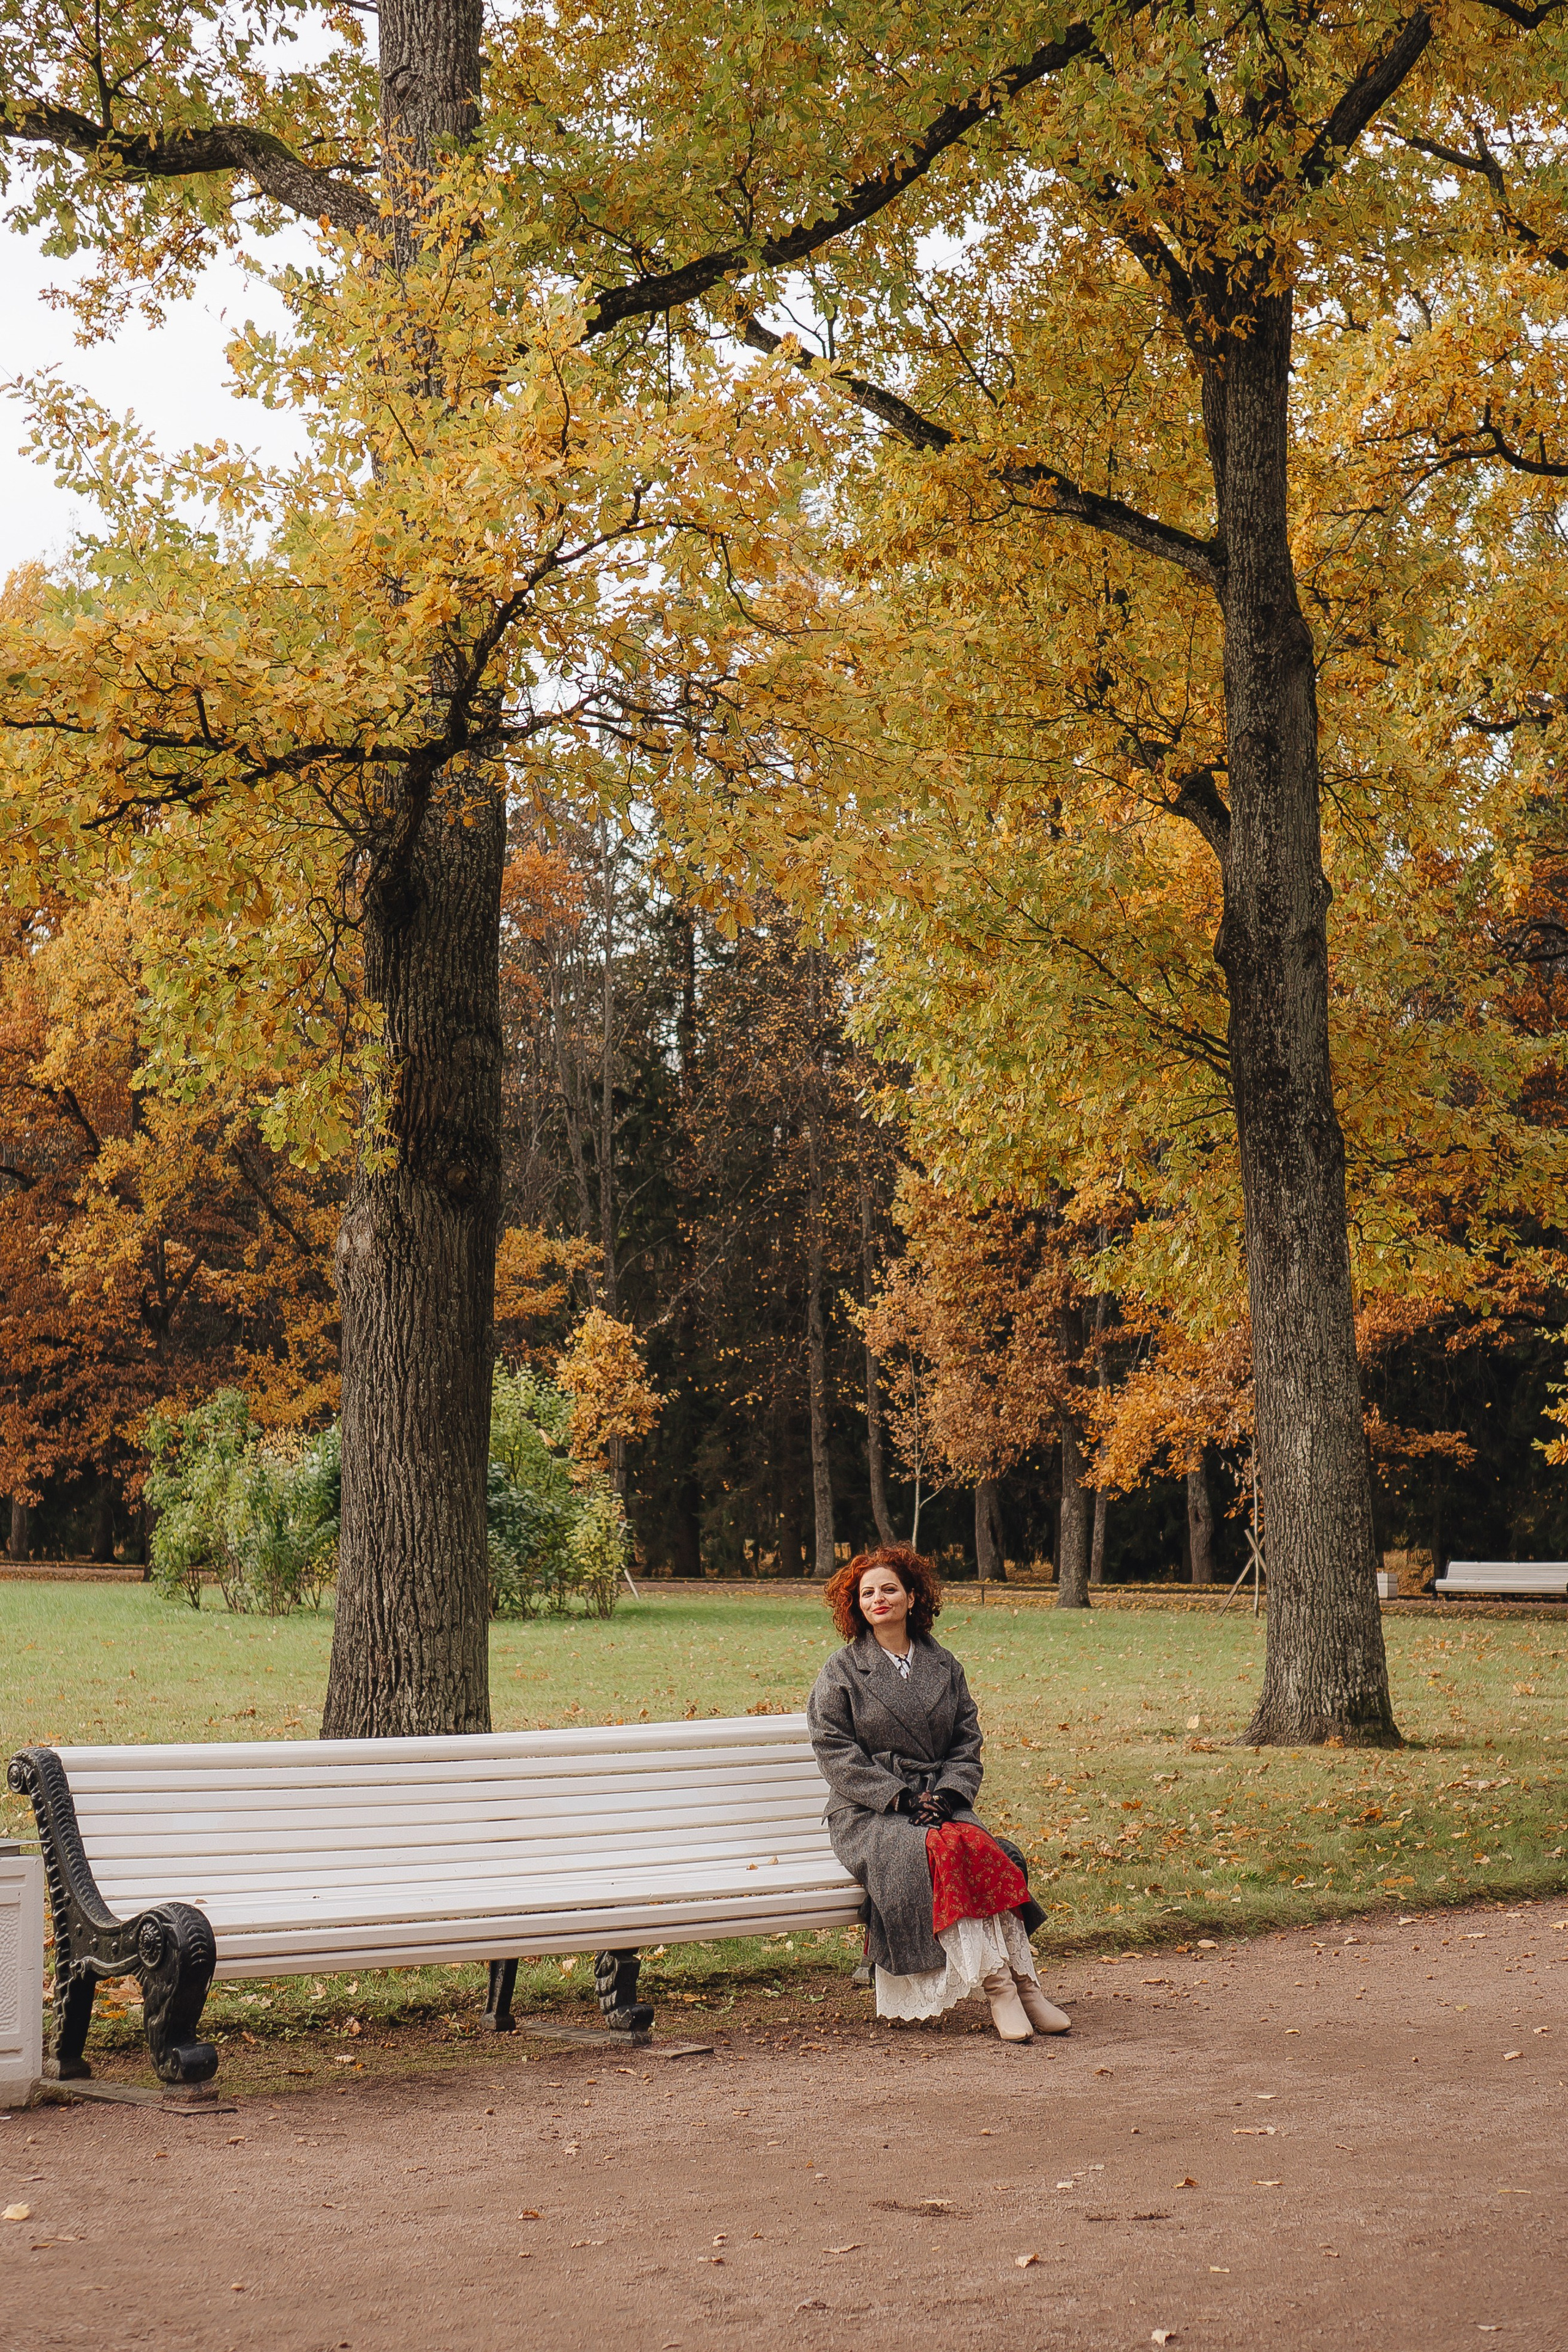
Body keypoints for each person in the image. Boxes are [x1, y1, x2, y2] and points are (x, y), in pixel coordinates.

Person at [807, 1541, 1071, 2042]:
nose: (878, 1599)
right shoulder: (841, 1670)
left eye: (890, 1589)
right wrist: (900, 1798)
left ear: (911, 1597)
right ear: (856, 1605)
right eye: (867, 1593)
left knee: (977, 1845)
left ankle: (1027, 1984)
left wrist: (949, 1795)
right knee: (944, 1848)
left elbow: (967, 1742)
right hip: (870, 1812)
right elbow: (833, 1748)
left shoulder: (943, 1665)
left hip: (939, 1801)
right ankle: (1001, 1990)